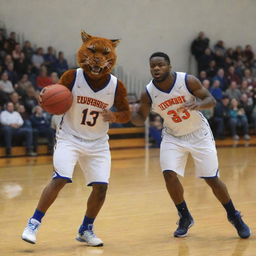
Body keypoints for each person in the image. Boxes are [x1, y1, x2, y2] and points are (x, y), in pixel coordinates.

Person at [21, 31, 131, 246]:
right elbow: (57, 99)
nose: (97, 58)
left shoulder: (116, 85)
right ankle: (33, 223)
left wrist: (115, 116)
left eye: (103, 54)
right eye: (92, 51)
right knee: (60, 178)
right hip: (69, 137)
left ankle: (86, 229)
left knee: (101, 187)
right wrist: (48, 101)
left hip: (98, 143)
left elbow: (127, 114)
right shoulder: (73, 76)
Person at [131, 52, 250, 239]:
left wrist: (198, 104)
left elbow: (211, 100)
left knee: (211, 179)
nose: (156, 68)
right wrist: (127, 113)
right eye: (153, 65)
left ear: (169, 66)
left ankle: (233, 215)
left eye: (160, 65)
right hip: (173, 136)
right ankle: (184, 216)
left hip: (199, 134)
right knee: (169, 174)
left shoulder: (188, 81)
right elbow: (139, 120)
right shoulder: (148, 92)